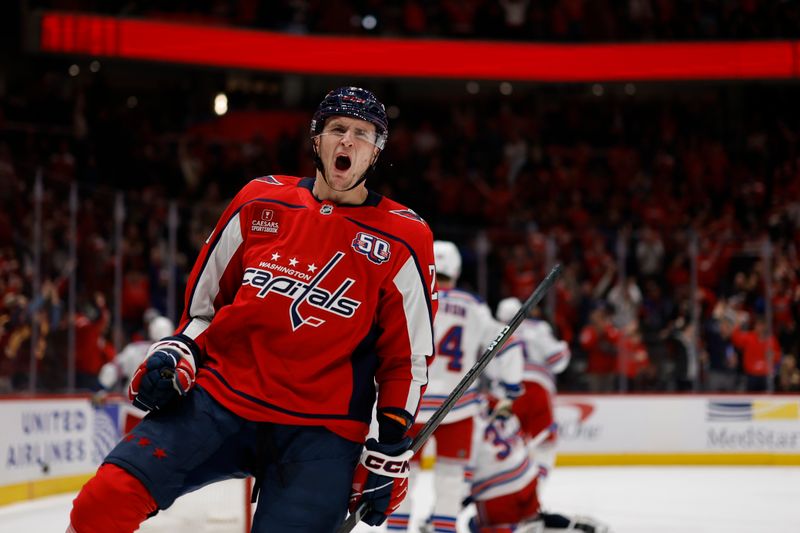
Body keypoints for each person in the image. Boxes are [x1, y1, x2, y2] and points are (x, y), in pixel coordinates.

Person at [68, 86, 438, 533]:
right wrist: (179, 350)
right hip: (220, 399)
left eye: (362, 133)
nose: (348, 142)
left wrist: (391, 444)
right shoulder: (260, 200)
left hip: (322, 432)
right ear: (316, 138)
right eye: (337, 129)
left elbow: (406, 357)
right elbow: (204, 309)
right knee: (102, 501)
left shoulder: (405, 236)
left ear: (376, 151)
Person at [388, 241, 521, 533]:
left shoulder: (408, 294)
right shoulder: (473, 305)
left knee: (400, 478)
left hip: (407, 404)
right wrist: (510, 388)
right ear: (457, 270)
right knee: (450, 480)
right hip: (456, 408)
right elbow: (507, 345)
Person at [467, 405, 611, 533]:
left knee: (476, 525)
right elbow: (519, 442)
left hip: (496, 491)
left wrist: (464, 495)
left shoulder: (464, 426)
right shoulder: (500, 417)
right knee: (532, 520)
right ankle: (574, 526)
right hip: (527, 477)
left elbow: (461, 470)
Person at [495, 297, 570, 489]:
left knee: (508, 445)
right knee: (545, 446)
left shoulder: (496, 332)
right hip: (538, 388)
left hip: (509, 393)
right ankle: (536, 491)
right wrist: (565, 348)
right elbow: (557, 359)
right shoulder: (538, 328)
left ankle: (509, 490)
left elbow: (490, 371)